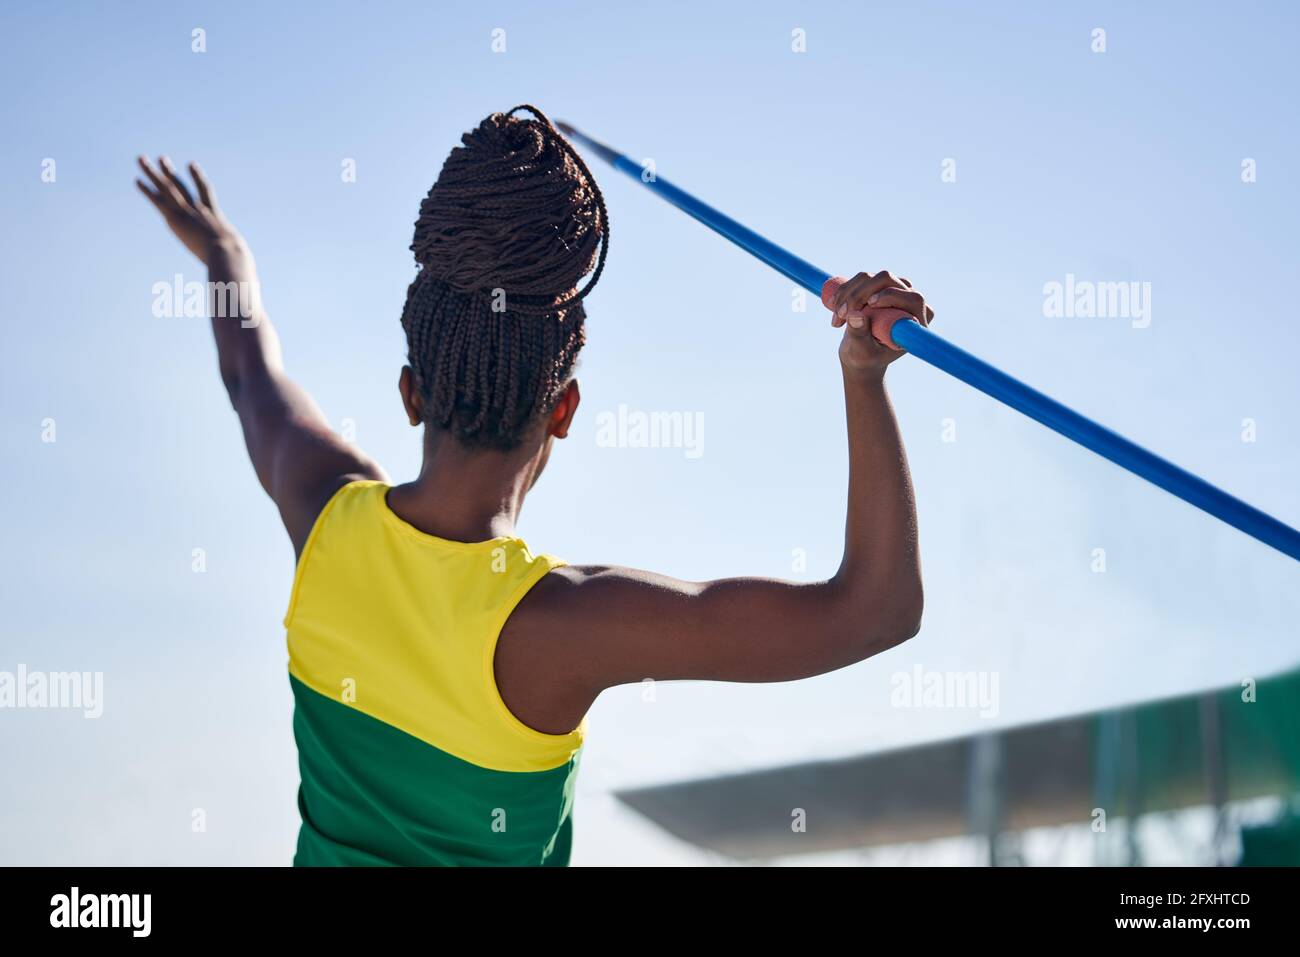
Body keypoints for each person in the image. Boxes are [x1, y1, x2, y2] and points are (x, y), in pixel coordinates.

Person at [135, 104, 933, 866]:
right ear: (564, 410)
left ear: (410, 391)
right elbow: (876, 610)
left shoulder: (323, 517)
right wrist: (864, 377)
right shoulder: (568, 624)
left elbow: (252, 376)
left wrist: (222, 251)